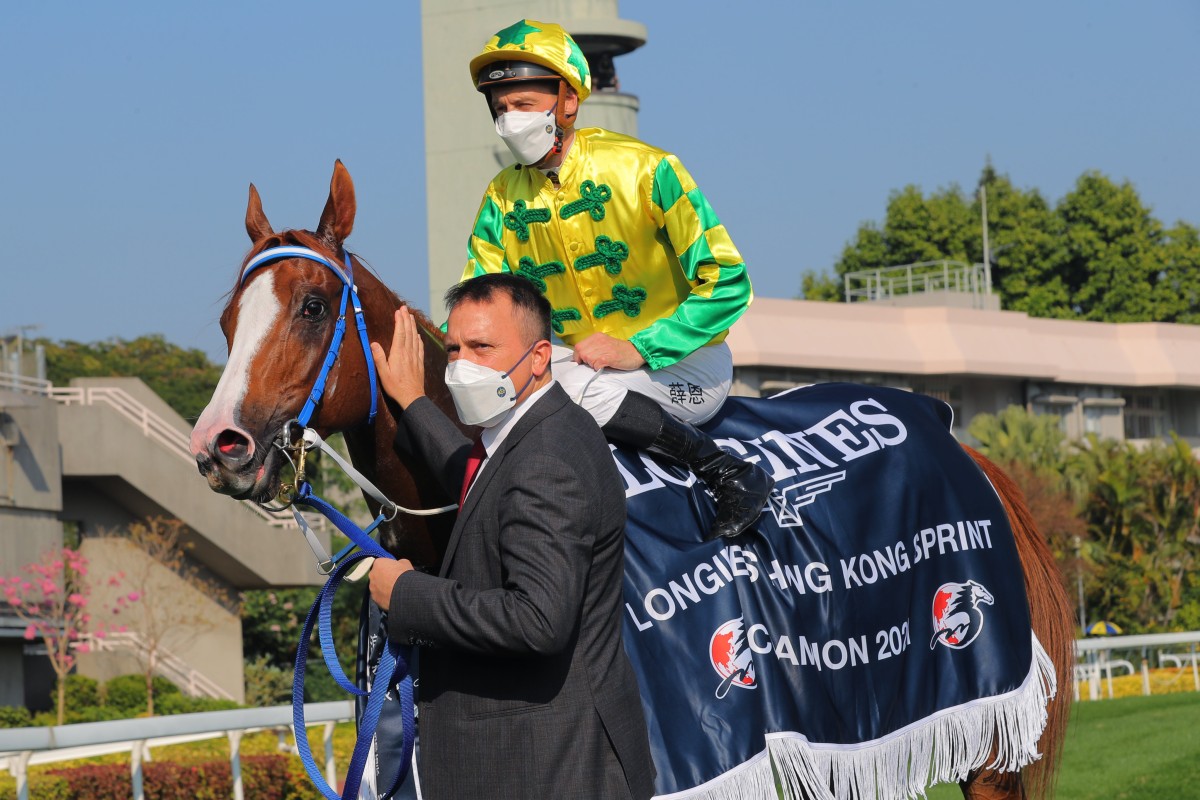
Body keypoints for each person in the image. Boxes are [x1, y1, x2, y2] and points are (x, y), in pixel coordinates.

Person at [463, 19, 773, 540]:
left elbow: (729, 282)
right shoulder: (500, 197)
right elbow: (480, 306)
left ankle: (728, 473)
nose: (509, 120)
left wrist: (638, 348)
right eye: (501, 108)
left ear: (568, 100)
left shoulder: (649, 170)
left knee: (560, 394)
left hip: (685, 364)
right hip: (577, 365)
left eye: (523, 104)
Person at [367, 273, 656, 800]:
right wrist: (413, 401)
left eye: (483, 347)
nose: (462, 366)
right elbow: (478, 483)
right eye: (453, 350)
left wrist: (406, 595)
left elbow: (538, 620)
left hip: (548, 770)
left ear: (539, 357)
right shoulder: (541, 428)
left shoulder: (547, 457)